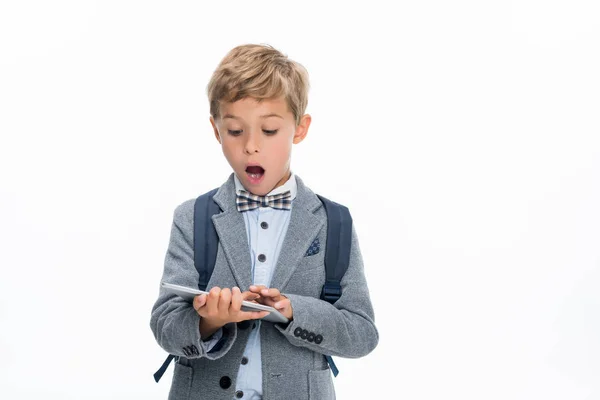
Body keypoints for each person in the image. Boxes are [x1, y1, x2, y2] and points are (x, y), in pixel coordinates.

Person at [150, 43, 378, 400]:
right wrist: (211, 320)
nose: (251, 146)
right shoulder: (192, 217)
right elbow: (165, 327)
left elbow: (362, 333)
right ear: (215, 129)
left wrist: (293, 311)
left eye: (269, 131)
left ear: (299, 129)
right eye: (235, 131)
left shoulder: (334, 221)